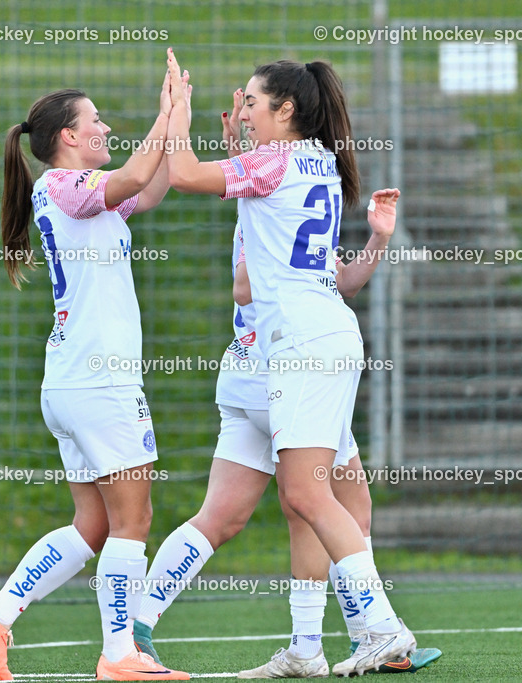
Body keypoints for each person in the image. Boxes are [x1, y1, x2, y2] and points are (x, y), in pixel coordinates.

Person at [161, 48, 416, 676]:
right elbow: (270, 231)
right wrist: (237, 151)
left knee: (306, 494)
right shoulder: (317, 159)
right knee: (325, 500)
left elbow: (186, 176)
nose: (243, 110)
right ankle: (318, 646)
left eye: (251, 101)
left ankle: (381, 628)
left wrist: (175, 116)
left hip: (305, 343)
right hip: (318, 335)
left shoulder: (276, 160)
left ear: (288, 108)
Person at [0, 65, 191, 681]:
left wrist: (180, 119)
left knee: (93, 525)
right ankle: (119, 655)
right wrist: (164, 115)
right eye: (96, 121)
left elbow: (152, 185)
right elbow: (139, 172)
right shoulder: (64, 184)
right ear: (68, 136)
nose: (106, 127)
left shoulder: (85, 191)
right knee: (133, 521)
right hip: (98, 381)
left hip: (76, 380)